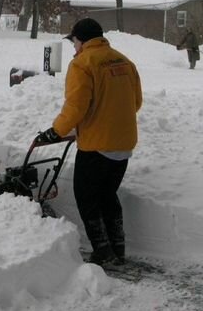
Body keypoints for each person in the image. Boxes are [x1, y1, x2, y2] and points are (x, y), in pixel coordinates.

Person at [38, 18, 142, 266]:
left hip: (96, 145)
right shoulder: (123, 61)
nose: (74, 47)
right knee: (108, 194)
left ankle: (102, 251)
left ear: (81, 40)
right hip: (124, 144)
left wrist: (55, 131)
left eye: (74, 41)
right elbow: (136, 102)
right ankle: (118, 247)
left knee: (86, 197)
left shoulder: (82, 64)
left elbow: (76, 107)